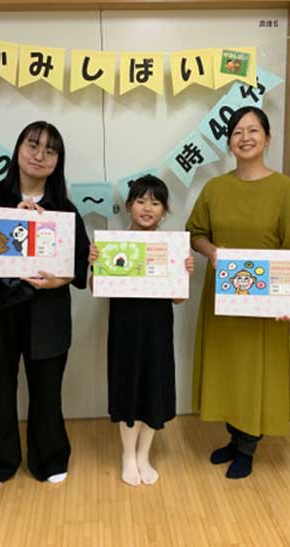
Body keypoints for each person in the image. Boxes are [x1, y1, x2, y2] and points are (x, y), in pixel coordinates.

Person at [0, 121, 90, 488]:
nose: (39, 155)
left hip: (47, 311)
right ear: (17, 150)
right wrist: (6, 225)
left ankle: (50, 458)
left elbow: (79, 263)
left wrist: (59, 280)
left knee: (47, 389)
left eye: (50, 150)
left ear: (58, 161)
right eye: (33, 145)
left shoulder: (64, 209)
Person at [185, 106, 290, 479]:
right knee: (228, 368)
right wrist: (213, 253)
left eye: (253, 130)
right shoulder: (215, 188)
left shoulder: (284, 188)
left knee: (257, 370)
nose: (245, 137)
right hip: (223, 297)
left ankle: (248, 448)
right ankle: (234, 437)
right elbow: (195, 233)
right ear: (229, 142)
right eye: (237, 132)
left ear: (267, 138)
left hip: (267, 300)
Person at [88, 176, 194, 486]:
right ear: (129, 205)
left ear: (164, 211)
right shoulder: (114, 243)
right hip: (125, 329)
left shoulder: (171, 247)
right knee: (128, 388)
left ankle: (144, 455)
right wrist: (96, 265)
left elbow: (179, 298)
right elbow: (95, 289)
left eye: (156, 203)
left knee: (153, 389)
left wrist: (184, 273)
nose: (148, 208)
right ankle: (128, 456)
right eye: (141, 201)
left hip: (157, 329)